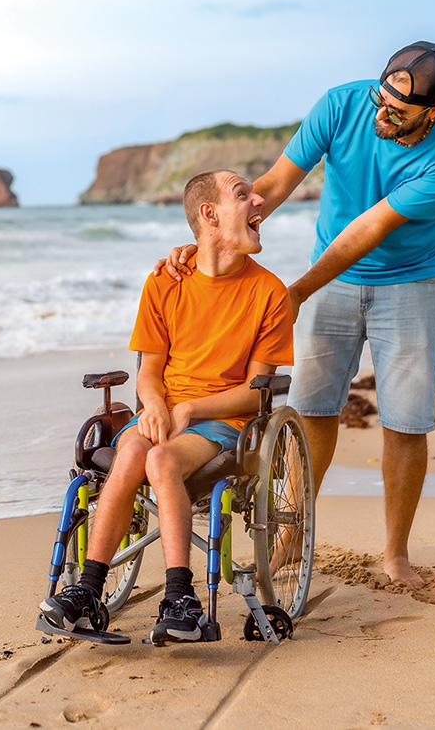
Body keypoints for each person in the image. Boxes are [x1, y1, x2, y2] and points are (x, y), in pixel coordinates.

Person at [159, 42, 435, 588]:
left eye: (399, 111)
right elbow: (274, 185)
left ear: (433, 111)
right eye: (382, 98)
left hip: (410, 283)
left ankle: (395, 554)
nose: (382, 113)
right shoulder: (339, 105)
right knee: (310, 411)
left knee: (404, 421)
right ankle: (287, 539)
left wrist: (296, 291)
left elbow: (368, 231)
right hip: (333, 280)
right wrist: (211, 243)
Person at [40, 170, 293, 644]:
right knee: (135, 452)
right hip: (165, 411)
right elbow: (149, 372)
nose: (259, 199)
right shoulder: (165, 281)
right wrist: (154, 404)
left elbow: (255, 392)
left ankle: (181, 597)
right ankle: (89, 590)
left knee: (157, 457)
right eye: (243, 194)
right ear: (209, 214)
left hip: (223, 420)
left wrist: (190, 411)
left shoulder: (269, 293)